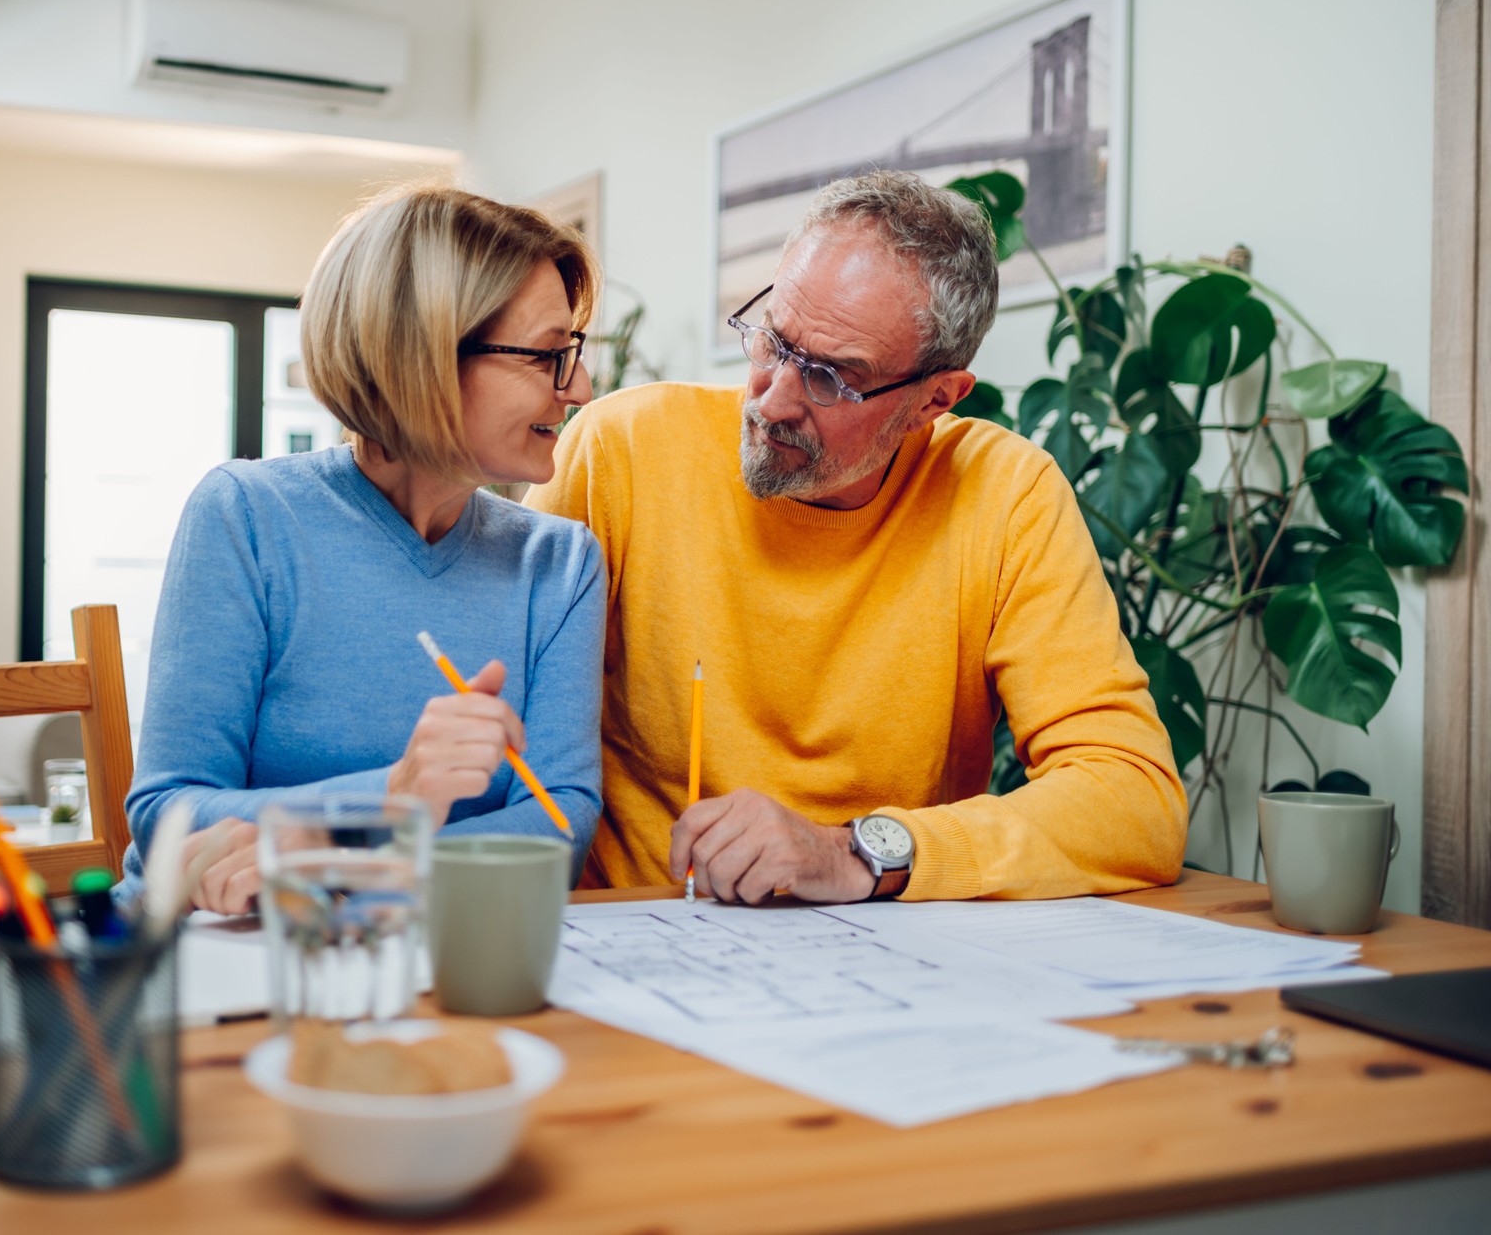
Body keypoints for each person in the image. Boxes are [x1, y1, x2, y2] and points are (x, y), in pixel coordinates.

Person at [524, 169, 1186, 905]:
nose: (771, 400)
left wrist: (854, 853)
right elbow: (493, 740)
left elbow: (1135, 800)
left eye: (831, 378)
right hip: (639, 939)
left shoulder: (1006, 496)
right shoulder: (619, 451)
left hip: (880, 964)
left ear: (934, 400)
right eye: (772, 338)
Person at [119, 184, 606, 914]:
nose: (580, 387)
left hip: (442, 949)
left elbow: (558, 827)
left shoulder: (561, 564)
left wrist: (328, 854)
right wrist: (393, 797)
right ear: (429, 355)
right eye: (547, 356)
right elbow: (170, 815)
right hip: (230, 950)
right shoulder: (247, 516)